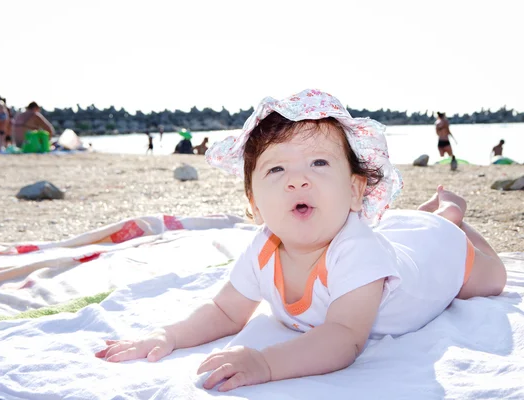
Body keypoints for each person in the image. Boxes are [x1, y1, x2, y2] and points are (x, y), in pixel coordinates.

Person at [95, 90, 506, 391]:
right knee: (407, 231)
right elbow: (224, 311)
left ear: (355, 191)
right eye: (276, 170)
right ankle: (435, 212)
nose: (297, 178)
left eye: (319, 162)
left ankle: (451, 217)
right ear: (253, 203)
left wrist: (265, 362)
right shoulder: (264, 246)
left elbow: (344, 337)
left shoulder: (355, 249)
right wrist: (168, 336)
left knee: (492, 280)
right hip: (396, 238)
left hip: (436, 255)